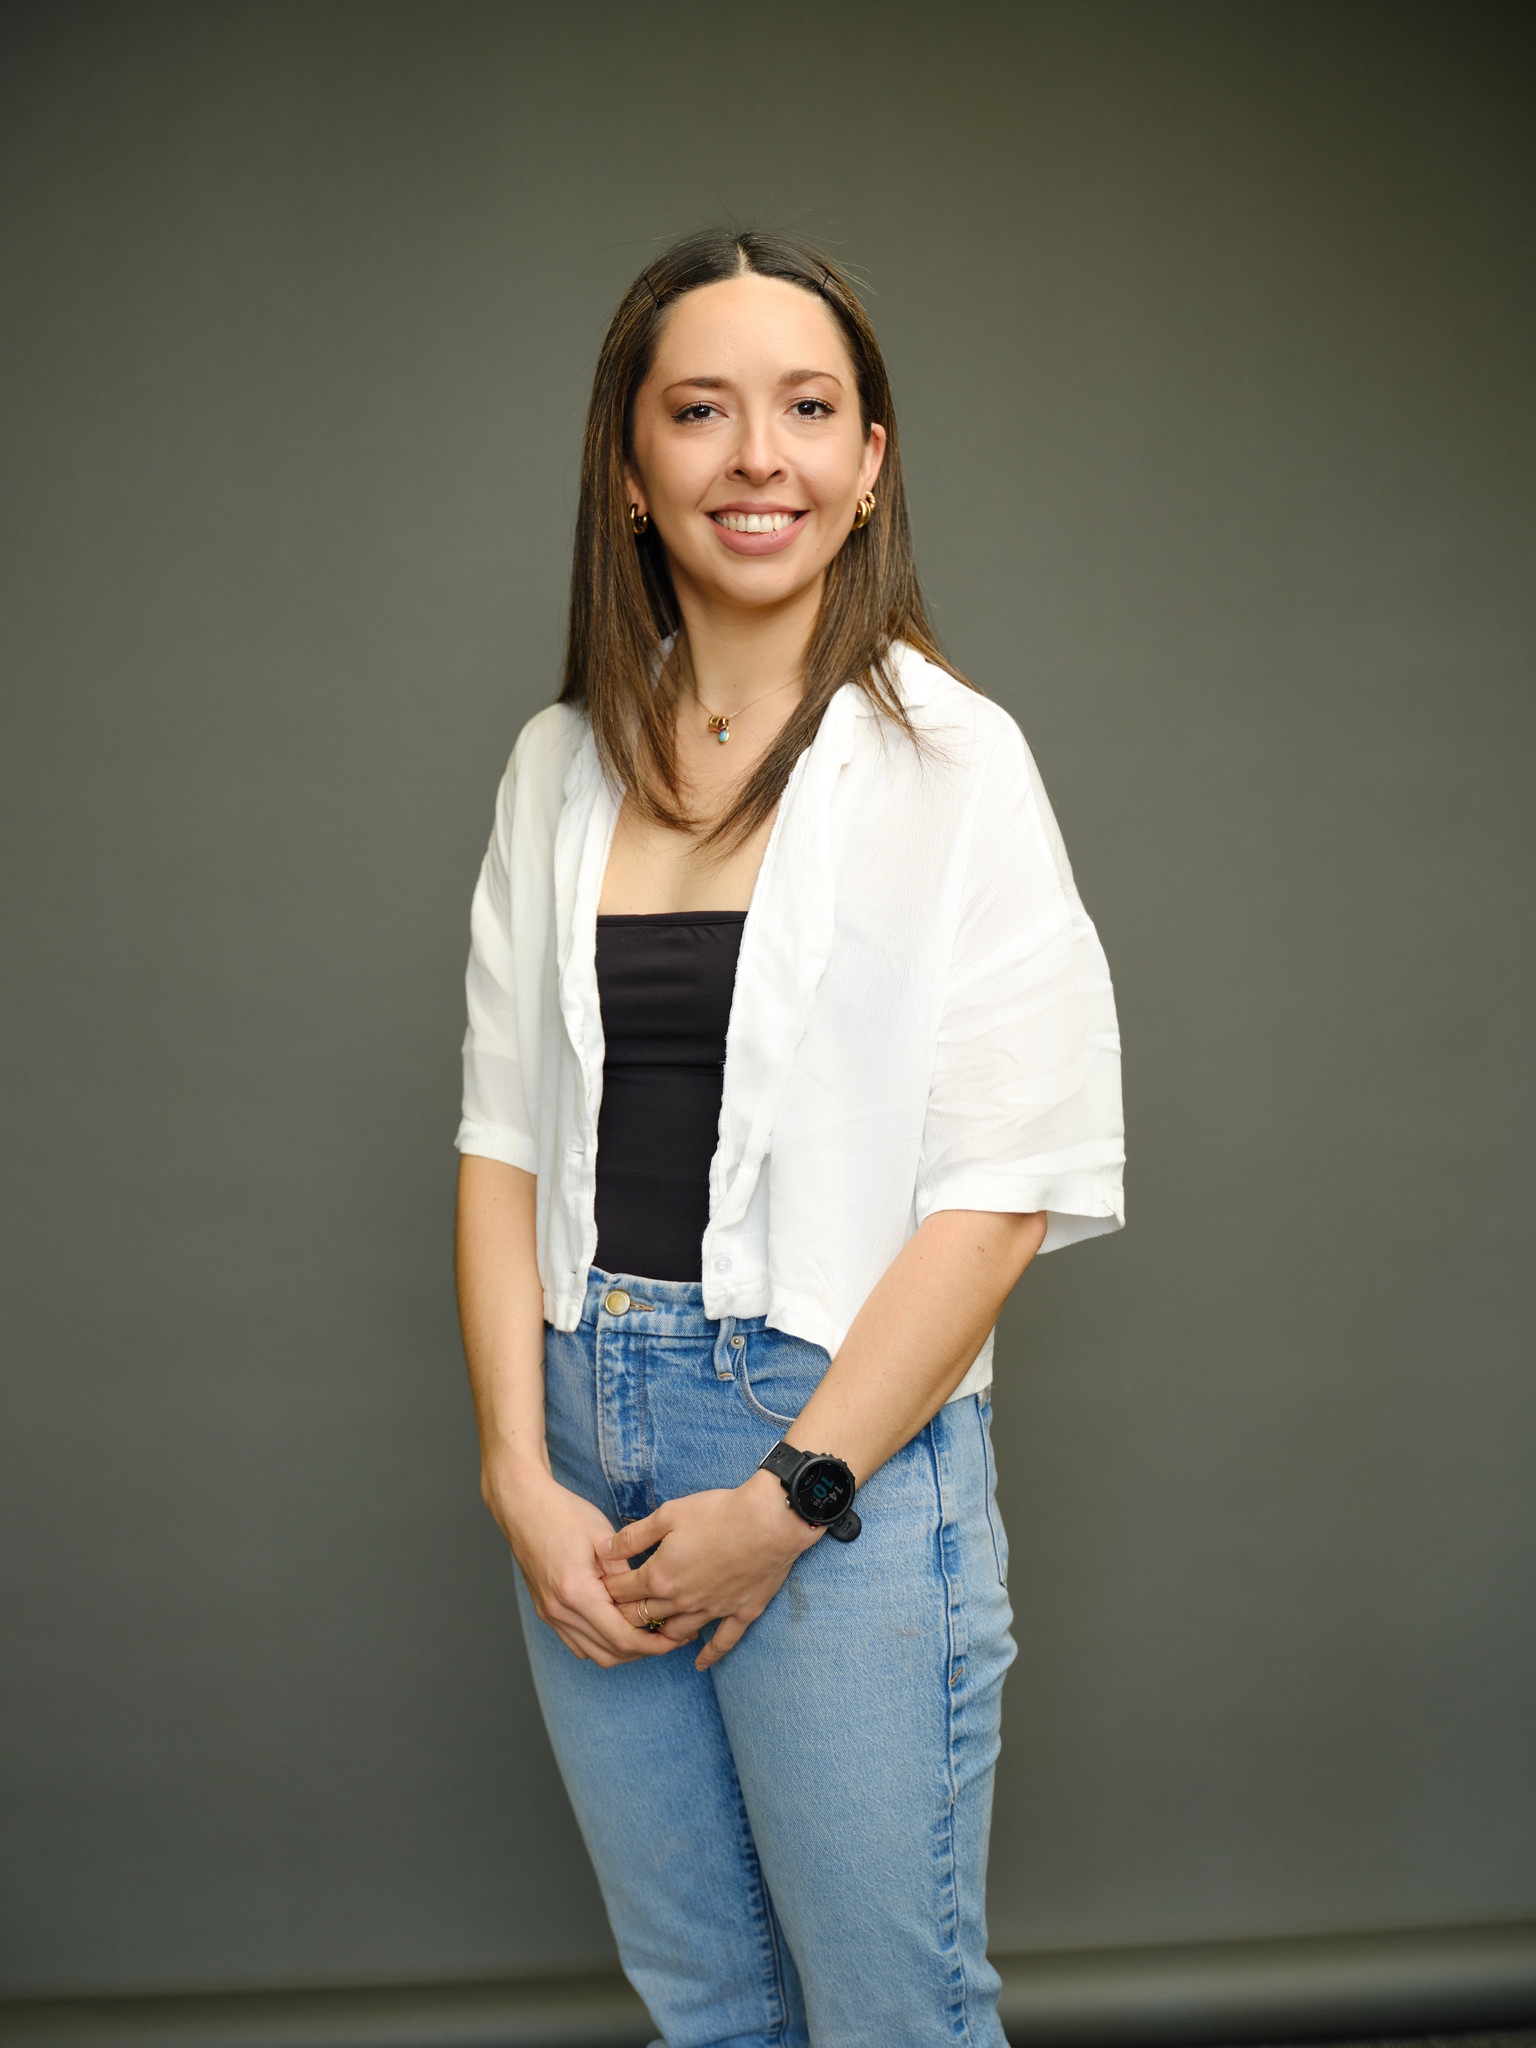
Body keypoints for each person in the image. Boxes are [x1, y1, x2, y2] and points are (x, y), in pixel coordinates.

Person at [453, 227, 1124, 2048]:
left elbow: (1002, 1197)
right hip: (589, 1426)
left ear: (870, 460)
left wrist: (791, 1500)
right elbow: (501, 1145)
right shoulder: (558, 763)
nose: (761, 456)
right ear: (631, 464)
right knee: (706, 2007)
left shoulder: (957, 765)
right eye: (703, 411)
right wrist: (522, 1470)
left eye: (809, 409)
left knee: (890, 2015)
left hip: (834, 1437)